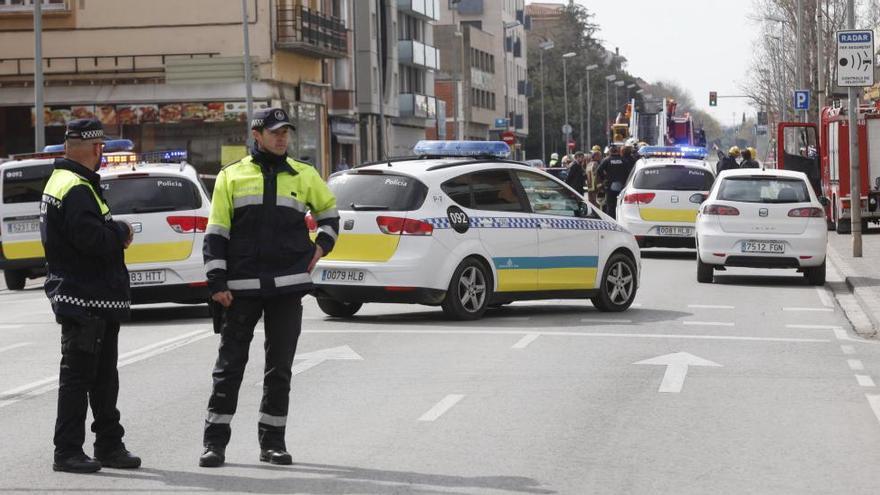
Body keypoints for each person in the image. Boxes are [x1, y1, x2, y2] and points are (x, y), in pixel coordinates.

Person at [199, 108, 340, 468]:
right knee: (229, 369)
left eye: (286, 132)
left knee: (279, 370)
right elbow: (216, 232)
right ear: (256, 134)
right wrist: (216, 281)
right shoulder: (231, 176)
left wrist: (320, 248)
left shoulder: (304, 174)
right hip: (240, 288)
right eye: (275, 132)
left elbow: (330, 216)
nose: (282, 138)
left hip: (287, 288)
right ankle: (214, 444)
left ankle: (272, 443)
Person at [41, 118, 140, 473]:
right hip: (85, 298)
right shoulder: (76, 187)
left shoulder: (66, 181)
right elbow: (91, 239)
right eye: (101, 148)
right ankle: (68, 451)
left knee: (101, 378)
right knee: (81, 378)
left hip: (90, 297)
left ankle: (109, 444)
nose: (101, 154)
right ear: (96, 148)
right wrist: (120, 231)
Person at [596, 145, 627, 218]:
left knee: (610, 205)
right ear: (618, 151)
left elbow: (599, 170)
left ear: (610, 151)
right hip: (622, 186)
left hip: (610, 186)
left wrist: (604, 178)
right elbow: (628, 171)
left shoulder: (607, 160)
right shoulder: (624, 160)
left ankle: (611, 221)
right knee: (621, 205)